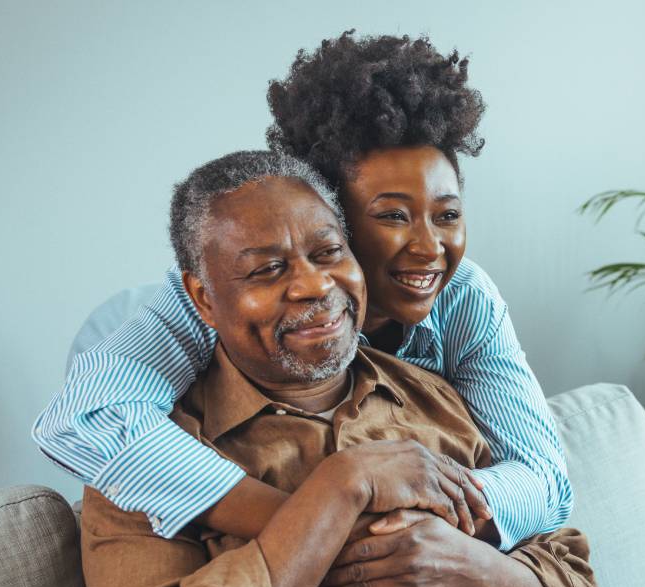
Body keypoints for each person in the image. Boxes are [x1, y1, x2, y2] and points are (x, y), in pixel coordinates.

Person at [34, 31, 570, 552]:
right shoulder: (209, 303)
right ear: (327, 215)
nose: (430, 248)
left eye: (447, 214)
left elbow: (545, 480)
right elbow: (85, 416)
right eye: (392, 216)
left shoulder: (464, 296)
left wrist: (420, 529)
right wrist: (320, 526)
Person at [79, 150, 596, 587]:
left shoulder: (431, 392)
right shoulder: (138, 464)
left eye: (328, 252)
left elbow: (571, 581)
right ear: (203, 298)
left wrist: (470, 567)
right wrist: (340, 488)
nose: (315, 285)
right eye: (268, 269)